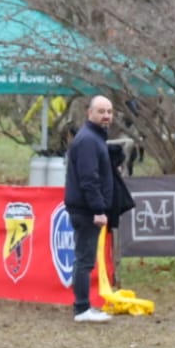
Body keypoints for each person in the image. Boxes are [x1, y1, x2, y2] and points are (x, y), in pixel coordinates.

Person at [64, 95, 118, 323]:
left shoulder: (94, 138)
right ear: (89, 113)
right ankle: (82, 308)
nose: (106, 116)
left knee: (85, 259)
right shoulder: (88, 140)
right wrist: (98, 209)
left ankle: (83, 306)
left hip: (86, 208)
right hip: (86, 210)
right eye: (101, 111)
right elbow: (88, 179)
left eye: (109, 112)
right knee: (84, 260)